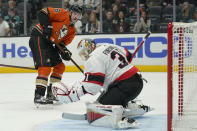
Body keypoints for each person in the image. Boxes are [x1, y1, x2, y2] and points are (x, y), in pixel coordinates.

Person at [52, 38, 153, 128]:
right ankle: (131, 106)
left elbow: (94, 86)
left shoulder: (93, 58)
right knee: (101, 102)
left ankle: (121, 120)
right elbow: (128, 55)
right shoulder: (108, 45)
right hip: (137, 81)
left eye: (84, 52)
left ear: (89, 48)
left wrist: (75, 94)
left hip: (125, 85)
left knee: (99, 110)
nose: (84, 55)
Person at [29, 5, 82, 105]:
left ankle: (51, 93)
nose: (76, 16)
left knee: (60, 67)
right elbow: (43, 12)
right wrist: (47, 26)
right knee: (45, 67)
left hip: (49, 43)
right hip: (39, 37)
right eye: (75, 13)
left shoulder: (72, 31)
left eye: (78, 15)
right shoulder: (62, 13)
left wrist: (64, 52)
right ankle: (39, 95)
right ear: (70, 12)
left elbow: (61, 45)